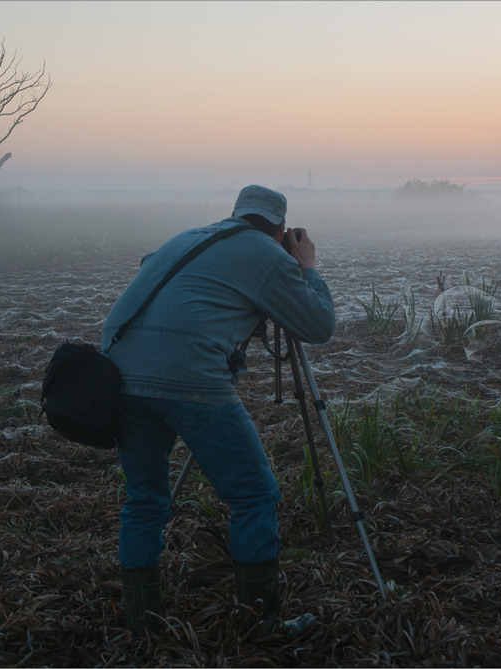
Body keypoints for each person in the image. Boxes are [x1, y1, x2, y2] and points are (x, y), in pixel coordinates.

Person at [101, 185, 336, 635]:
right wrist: (306, 267)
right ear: (281, 230)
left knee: (145, 501)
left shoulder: (189, 237)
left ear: (235, 214)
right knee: (254, 495)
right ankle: (260, 623)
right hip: (188, 376)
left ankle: (142, 625)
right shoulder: (268, 254)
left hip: (119, 371)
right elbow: (318, 325)